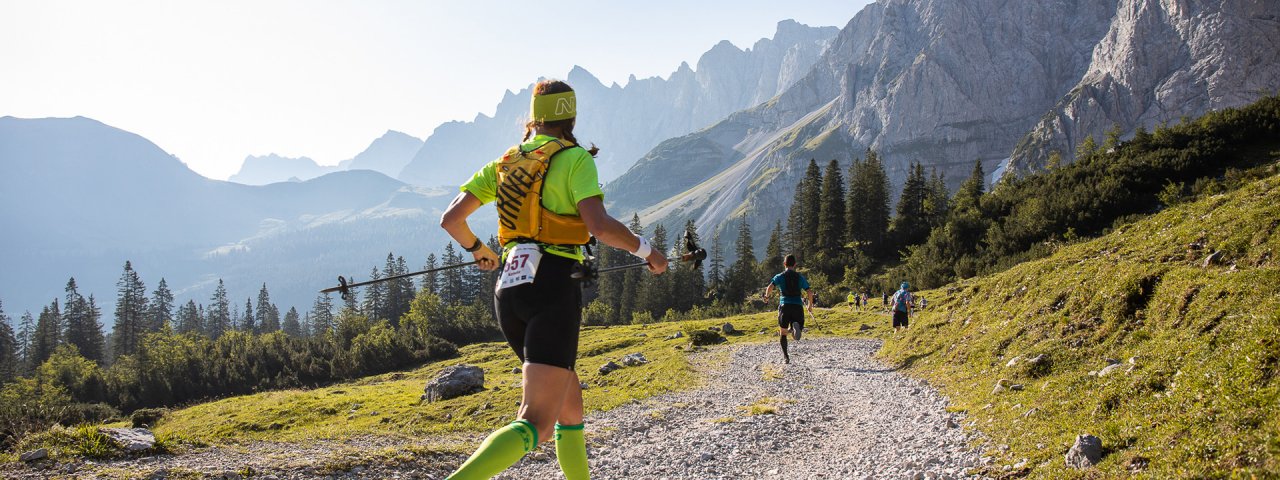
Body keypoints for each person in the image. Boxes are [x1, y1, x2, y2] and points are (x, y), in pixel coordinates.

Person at [439, 79, 668, 480]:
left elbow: (451, 220)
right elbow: (598, 226)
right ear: (571, 117)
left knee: (569, 401)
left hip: (508, 289)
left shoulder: (504, 162)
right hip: (553, 285)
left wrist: (479, 249)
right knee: (537, 423)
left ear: (533, 117)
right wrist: (648, 252)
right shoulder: (576, 159)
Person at [762, 254, 813, 364]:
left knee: (783, 332)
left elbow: (770, 287)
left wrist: (766, 297)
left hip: (785, 306)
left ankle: (786, 357)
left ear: (784, 264)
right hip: (797, 306)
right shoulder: (799, 277)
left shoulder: (779, 276)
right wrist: (810, 305)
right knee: (797, 330)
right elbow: (809, 291)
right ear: (795, 264)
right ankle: (794, 328)